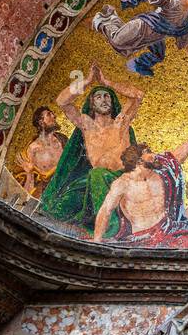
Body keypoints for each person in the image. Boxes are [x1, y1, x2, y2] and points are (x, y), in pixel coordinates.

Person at [93, 128, 188, 251]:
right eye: (148, 152)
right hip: (144, 237)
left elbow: (175, 157)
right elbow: (106, 210)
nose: (154, 155)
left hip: (169, 228)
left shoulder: (160, 173)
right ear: (139, 161)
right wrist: (97, 241)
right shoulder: (122, 184)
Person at [40, 65, 142, 234]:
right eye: (98, 97)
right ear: (91, 103)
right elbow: (62, 101)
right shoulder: (87, 125)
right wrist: (86, 81)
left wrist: (107, 82)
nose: (104, 100)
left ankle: (111, 229)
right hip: (94, 181)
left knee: (97, 175)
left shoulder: (121, 123)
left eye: (107, 96)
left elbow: (138, 95)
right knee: (60, 205)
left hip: (120, 177)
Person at [21, 106, 67, 197]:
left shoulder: (62, 139)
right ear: (41, 122)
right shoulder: (33, 149)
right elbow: (30, 186)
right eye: (49, 114)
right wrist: (29, 172)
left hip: (71, 183)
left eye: (52, 114)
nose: (54, 116)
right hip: (53, 193)